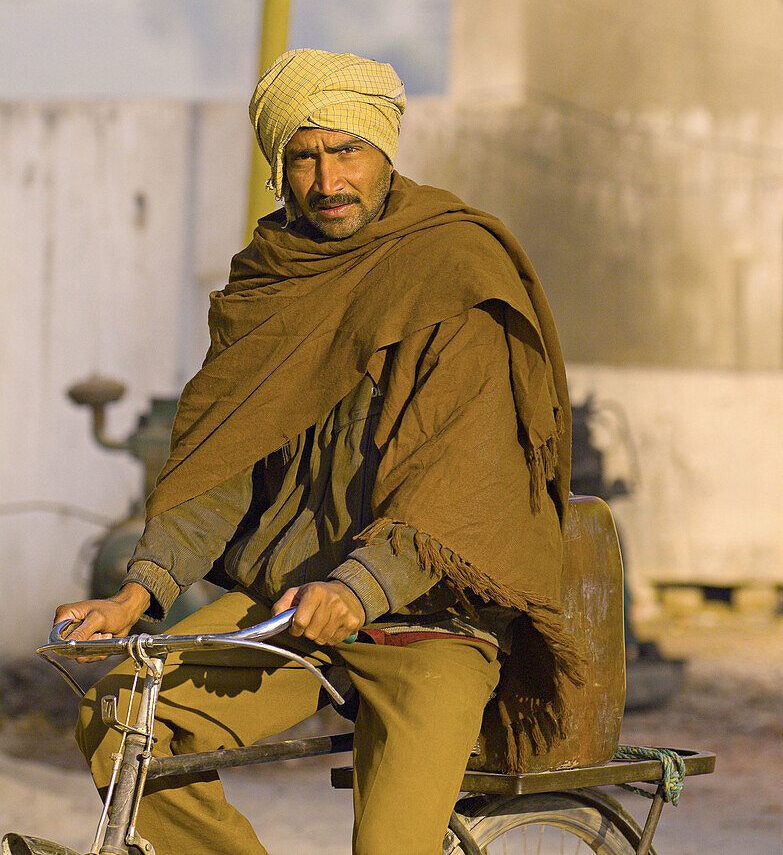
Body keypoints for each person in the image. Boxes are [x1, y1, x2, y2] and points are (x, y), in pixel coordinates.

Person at [54, 49, 582, 855]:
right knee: (121, 720)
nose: (328, 182)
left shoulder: (452, 270)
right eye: (303, 157)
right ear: (279, 166)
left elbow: (457, 479)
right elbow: (222, 461)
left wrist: (358, 585)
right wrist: (142, 590)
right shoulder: (273, 277)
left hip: (431, 623)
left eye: (347, 152)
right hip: (291, 605)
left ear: (385, 151)